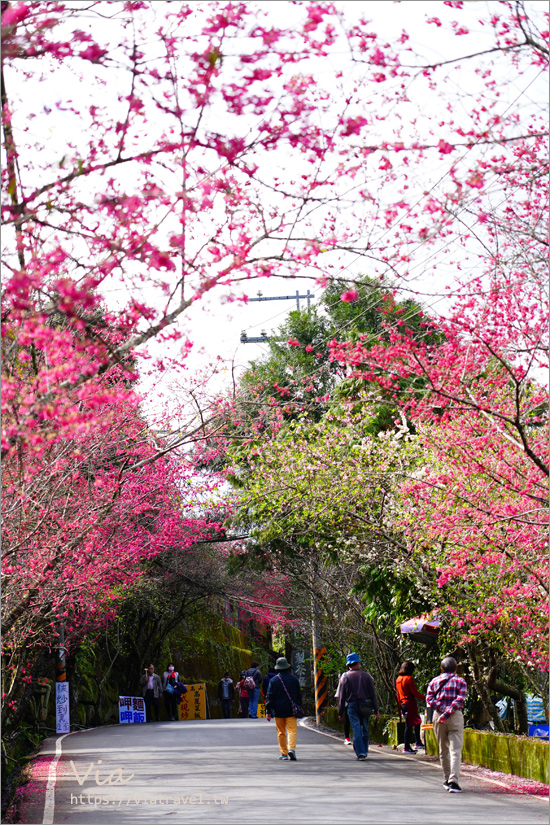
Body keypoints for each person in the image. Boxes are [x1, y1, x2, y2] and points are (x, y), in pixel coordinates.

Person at [426, 656, 467, 793]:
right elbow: (460, 699)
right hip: (455, 716)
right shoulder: (461, 681)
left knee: (443, 750)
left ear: (441, 668)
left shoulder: (434, 681)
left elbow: (429, 699)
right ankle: (453, 780)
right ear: (455, 668)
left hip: (439, 717)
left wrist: (443, 711)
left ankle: (446, 778)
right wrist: (449, 712)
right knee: (455, 750)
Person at [337, 653, 379, 760]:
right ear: (358, 663)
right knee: (365, 728)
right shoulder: (366, 676)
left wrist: (340, 712)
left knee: (356, 729)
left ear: (348, 665)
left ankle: (360, 752)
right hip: (365, 705)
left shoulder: (344, 677)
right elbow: (372, 694)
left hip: (351, 706)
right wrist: (376, 709)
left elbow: (341, 697)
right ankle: (364, 751)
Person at [266, 657, 303, 761]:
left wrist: (268, 711)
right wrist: (299, 706)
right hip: (291, 710)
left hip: (278, 710)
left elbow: (269, 697)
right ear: (287, 667)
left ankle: (284, 753)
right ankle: (292, 749)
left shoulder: (273, 680)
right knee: (291, 730)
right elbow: (299, 695)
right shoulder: (294, 679)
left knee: (281, 732)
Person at [396, 660, 426, 753]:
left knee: (417, 721)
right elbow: (414, 692)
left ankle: (417, 742)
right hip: (410, 703)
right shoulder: (409, 679)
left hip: (402, 703)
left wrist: (399, 707)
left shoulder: (398, 679)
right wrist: (426, 698)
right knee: (409, 725)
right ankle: (407, 747)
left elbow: (397, 694)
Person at [335, 671, 352, 746]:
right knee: (349, 721)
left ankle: (347, 738)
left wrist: (340, 712)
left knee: (348, 721)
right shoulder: (362, 675)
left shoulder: (344, 676)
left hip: (347, 703)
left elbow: (340, 694)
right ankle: (348, 738)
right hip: (354, 703)